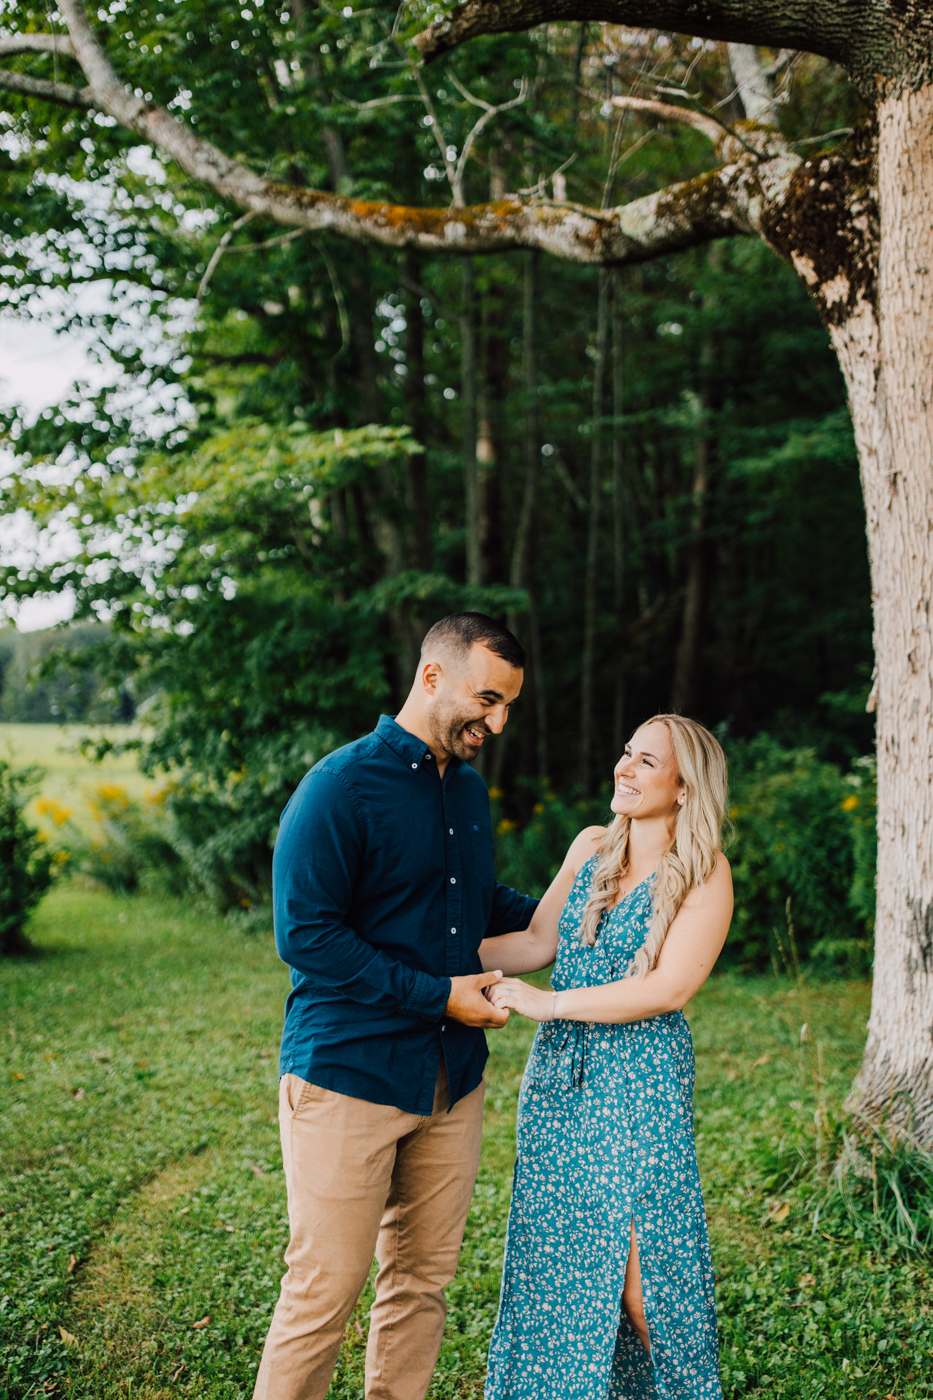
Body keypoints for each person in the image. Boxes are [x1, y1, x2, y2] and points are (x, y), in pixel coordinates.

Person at [253, 612, 539, 1400]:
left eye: (508, 705)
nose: (497, 721)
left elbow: (472, 906)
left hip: (453, 1082)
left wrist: (578, 906)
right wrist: (438, 997)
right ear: (433, 676)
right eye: (487, 699)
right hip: (349, 1073)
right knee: (324, 1291)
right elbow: (305, 934)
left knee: (420, 1285)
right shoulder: (339, 787)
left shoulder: (470, 791)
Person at [480, 714, 734, 1400]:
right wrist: (421, 955)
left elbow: (668, 987)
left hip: (640, 1079)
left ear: (684, 788)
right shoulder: (592, 846)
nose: (624, 766)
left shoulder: (704, 872)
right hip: (561, 1078)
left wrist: (547, 1004)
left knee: (645, 1277)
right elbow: (535, 943)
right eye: (626, 752)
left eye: (646, 761)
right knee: (560, 1256)